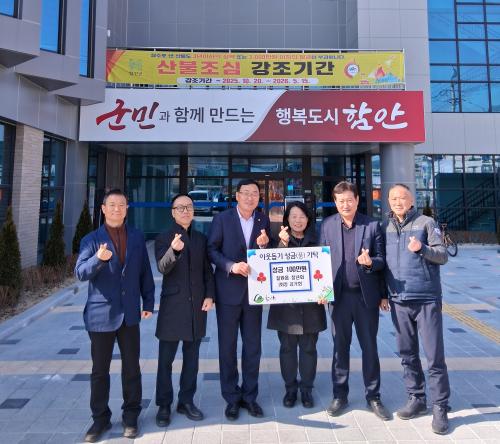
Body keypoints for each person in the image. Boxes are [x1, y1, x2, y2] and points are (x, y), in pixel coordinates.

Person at [75, 189, 155, 443]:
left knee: (132, 368)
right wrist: (98, 260)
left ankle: (131, 416)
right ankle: (100, 419)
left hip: (130, 313)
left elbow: (145, 272)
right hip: (101, 315)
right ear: (103, 209)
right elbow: (80, 273)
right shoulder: (91, 239)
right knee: (100, 371)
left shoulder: (137, 236)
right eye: (112, 205)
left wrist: (148, 302)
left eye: (121, 205)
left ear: (127, 209)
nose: (117, 209)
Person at [382, 183, 450, 435]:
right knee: (407, 354)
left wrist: (422, 249)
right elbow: (384, 264)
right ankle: (416, 398)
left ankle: (440, 405)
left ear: (411, 200)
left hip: (426, 298)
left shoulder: (426, 223)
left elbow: (442, 255)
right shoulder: (385, 227)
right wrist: (383, 294)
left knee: (434, 357)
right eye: (393, 199)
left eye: (402, 198)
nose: (398, 202)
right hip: (398, 300)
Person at [319, 181, 390, 421]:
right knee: (340, 348)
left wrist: (371, 264)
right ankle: (340, 395)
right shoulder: (327, 225)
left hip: (364, 298)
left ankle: (374, 396)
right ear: (335, 202)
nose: (345, 205)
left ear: (357, 200)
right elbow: (320, 261)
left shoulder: (371, 225)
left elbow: (382, 261)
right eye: (341, 201)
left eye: (350, 200)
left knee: (369, 347)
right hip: (338, 299)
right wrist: (321, 291)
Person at [207, 179, 270, 421]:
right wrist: (231, 266)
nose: (250, 197)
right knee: (228, 347)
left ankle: (250, 397)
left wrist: (264, 247)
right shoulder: (222, 219)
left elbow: (268, 253)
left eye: (255, 193)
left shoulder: (263, 219)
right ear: (237, 195)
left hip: (254, 294)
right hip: (228, 293)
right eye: (246, 193)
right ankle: (232, 398)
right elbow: (212, 250)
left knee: (253, 348)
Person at [154, 194, 215, 427]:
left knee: (192, 359)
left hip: (197, 306)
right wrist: (174, 251)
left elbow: (207, 270)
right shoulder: (163, 238)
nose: (185, 211)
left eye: (188, 207)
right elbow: (162, 267)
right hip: (173, 307)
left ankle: (186, 401)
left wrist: (210, 295)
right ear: (172, 212)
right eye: (180, 208)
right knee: (165, 360)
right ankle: (164, 405)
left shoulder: (200, 238)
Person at [267, 201, 327, 409]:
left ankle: (307, 389)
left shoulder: (318, 241)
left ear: (308, 219)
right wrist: (282, 244)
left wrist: (326, 292)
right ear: (287, 220)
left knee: (309, 348)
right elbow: (270, 267)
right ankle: (290, 389)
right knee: (287, 348)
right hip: (286, 308)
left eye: (302, 216)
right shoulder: (278, 240)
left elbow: (325, 270)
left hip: (311, 307)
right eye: (293, 216)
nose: (298, 220)